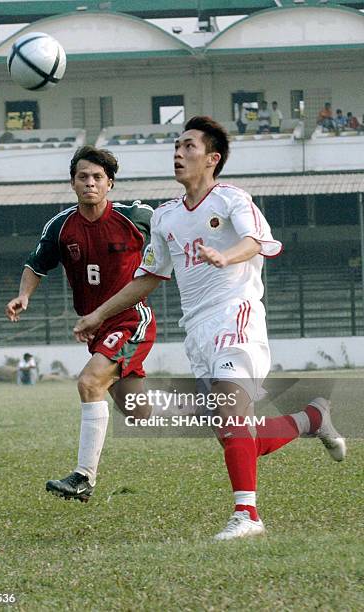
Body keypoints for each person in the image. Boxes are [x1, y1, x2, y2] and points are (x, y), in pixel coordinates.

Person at [74, 116, 346, 540]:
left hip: (236, 314)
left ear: (212, 158)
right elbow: (148, 276)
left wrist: (227, 256)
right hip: (197, 331)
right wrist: (98, 314)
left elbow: (257, 241)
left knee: (231, 413)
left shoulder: (232, 199)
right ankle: (312, 418)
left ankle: (247, 515)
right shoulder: (165, 217)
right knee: (235, 431)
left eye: (189, 147)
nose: (179, 153)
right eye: (176, 147)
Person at [5, 145, 176, 503]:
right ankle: (219, 404)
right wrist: (24, 296)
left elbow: (175, 235)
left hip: (131, 319)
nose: (90, 183)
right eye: (83, 177)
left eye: (98, 177)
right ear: (72, 183)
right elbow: (36, 265)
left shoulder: (136, 216)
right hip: (95, 328)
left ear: (110, 183)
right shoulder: (62, 226)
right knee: (140, 413)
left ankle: (83, 477)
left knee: (88, 381)